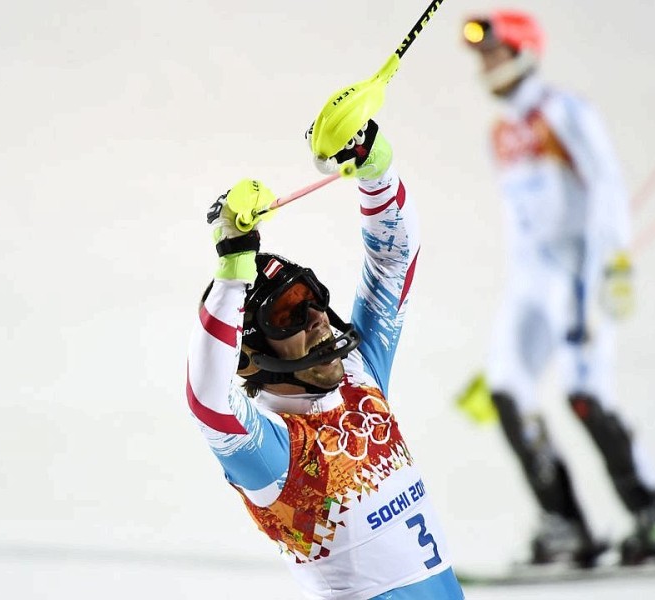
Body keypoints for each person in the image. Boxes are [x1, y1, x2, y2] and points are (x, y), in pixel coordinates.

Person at [185, 117, 465, 599]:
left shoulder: (357, 377)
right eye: (288, 313)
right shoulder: (278, 454)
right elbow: (208, 404)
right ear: (250, 358)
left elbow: (393, 260)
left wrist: (374, 166)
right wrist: (232, 271)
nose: (316, 318)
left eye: (311, 296)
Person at [459, 10, 655, 567]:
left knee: (586, 394)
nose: (487, 63)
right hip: (528, 279)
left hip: (576, 274)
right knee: (506, 388)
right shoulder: (501, 133)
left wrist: (612, 266)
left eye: (495, 51)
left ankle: (654, 520)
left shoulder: (563, 111)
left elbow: (606, 186)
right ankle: (565, 524)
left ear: (523, 50)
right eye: (482, 56)